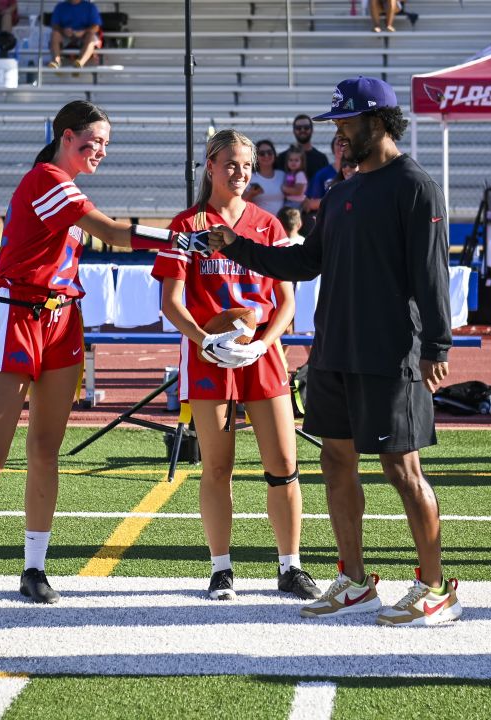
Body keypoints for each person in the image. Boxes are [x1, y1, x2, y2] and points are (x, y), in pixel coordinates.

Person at [0, 100, 204, 620]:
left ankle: (33, 570)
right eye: (91, 141)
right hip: (17, 315)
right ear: (64, 135)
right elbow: (117, 234)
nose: (99, 151)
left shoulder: (63, 181)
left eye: (104, 144)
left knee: (46, 450)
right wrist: (183, 237)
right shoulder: (47, 179)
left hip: (62, 319)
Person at [205, 77, 462, 627]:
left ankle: (435, 587)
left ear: (380, 122)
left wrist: (437, 344)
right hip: (333, 352)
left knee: (401, 469)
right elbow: (304, 262)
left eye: (347, 124)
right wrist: (241, 247)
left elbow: (431, 273)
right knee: (334, 460)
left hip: (392, 353)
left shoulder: (415, 184)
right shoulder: (342, 191)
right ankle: (353, 580)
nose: (339, 135)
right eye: (338, 126)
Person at [151, 129, 323, 603]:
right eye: (231, 164)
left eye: (247, 166)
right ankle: (221, 568)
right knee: (217, 467)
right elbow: (170, 302)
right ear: (209, 165)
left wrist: (263, 343)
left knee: (284, 465)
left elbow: (287, 302)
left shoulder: (267, 224)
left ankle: (291, 567)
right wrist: (208, 340)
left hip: (261, 356)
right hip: (209, 358)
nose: (241, 173)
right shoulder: (186, 226)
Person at [47, 0, 102, 69]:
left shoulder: (90, 7)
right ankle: (56, 62)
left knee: (91, 36)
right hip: (65, 36)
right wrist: (63, 30)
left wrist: (83, 32)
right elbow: (54, 25)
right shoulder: (60, 7)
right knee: (54, 34)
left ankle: (80, 63)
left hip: (84, 37)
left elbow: (96, 27)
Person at [276, 115, 329, 182]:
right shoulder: (282, 158)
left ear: (312, 130)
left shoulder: (321, 159)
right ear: (294, 130)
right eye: (298, 128)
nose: (302, 130)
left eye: (306, 127)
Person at [244, 139, 286, 216]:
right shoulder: (250, 177)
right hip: (259, 222)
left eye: (269, 153)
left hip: (281, 223)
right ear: (256, 157)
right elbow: (242, 203)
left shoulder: (282, 175)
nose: (266, 156)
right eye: (262, 153)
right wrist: (251, 194)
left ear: (274, 155)